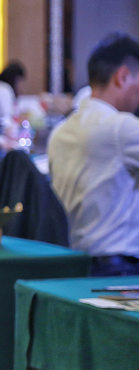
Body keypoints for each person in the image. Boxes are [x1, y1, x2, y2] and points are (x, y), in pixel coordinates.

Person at [48, 32, 139, 277]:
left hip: (71, 264)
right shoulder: (121, 128)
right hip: (119, 268)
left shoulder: (60, 131)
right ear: (123, 76)